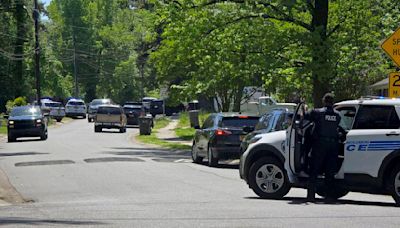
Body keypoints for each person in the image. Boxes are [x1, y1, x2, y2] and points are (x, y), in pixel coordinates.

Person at [306, 93, 342, 202]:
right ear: (333, 102)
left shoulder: (317, 113)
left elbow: (306, 117)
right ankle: (329, 196)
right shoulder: (338, 115)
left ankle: (311, 196)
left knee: (314, 170)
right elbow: (339, 129)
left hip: (320, 145)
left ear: (324, 101)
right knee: (329, 172)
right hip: (333, 146)